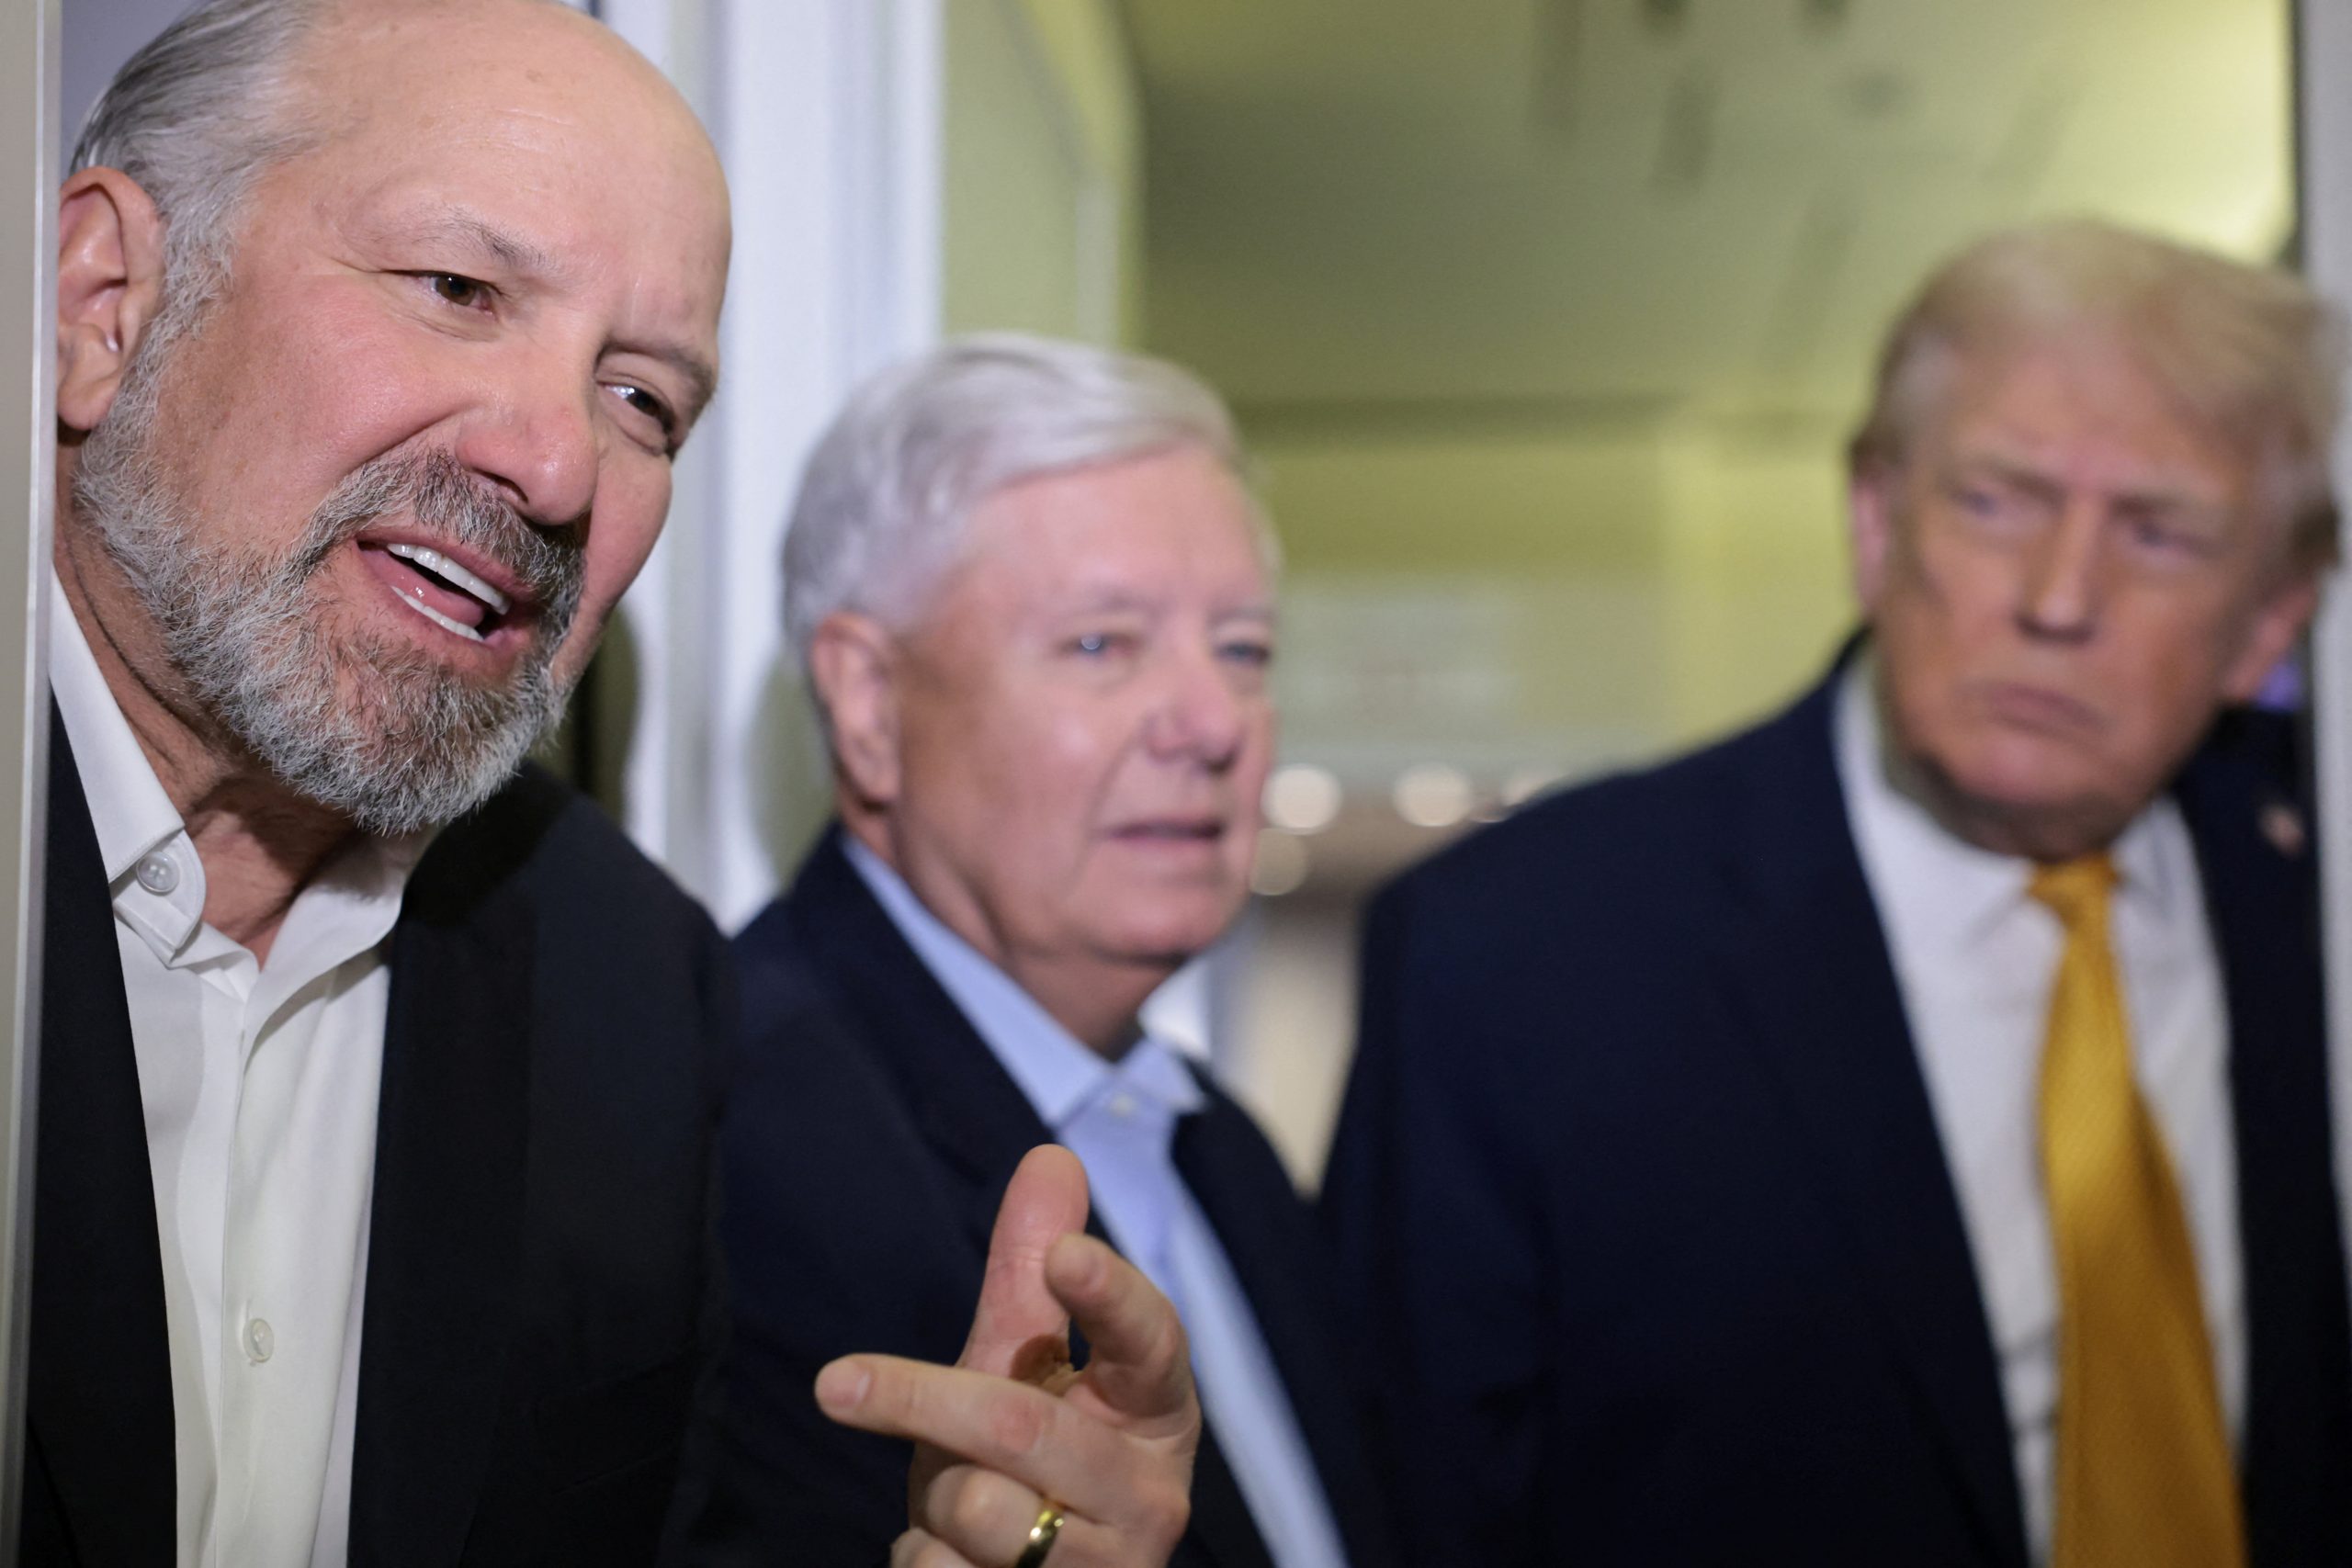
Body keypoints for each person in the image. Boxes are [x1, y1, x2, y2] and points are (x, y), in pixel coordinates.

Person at [36, 4, 1197, 1565]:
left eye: (641, 399)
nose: (558, 466)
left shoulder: (631, 992)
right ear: (107, 303)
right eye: (459, 292)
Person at [1322, 220, 2352, 1568]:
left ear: (2270, 620)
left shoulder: (2315, 912)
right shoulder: (1519, 955)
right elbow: (1422, 1512)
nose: (2059, 598)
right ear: (1875, 522)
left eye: (2158, 534)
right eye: (1997, 501)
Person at [720, 334, 1398, 1568]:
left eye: (1243, 650)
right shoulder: (722, 1142)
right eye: (1102, 644)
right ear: (868, 704)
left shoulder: (1221, 1148)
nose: (1213, 723)